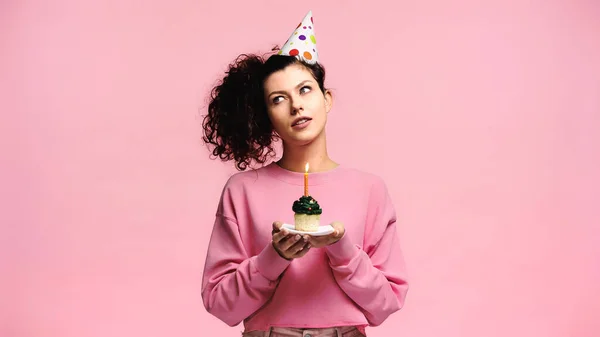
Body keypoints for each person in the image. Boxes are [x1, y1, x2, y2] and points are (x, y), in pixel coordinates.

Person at [200, 10, 409, 337]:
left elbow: (386, 303)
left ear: (327, 99)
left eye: (305, 90)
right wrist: (273, 258)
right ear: (267, 116)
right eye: (279, 99)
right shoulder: (242, 191)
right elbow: (220, 305)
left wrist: (342, 251)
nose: (296, 106)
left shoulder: (370, 190)